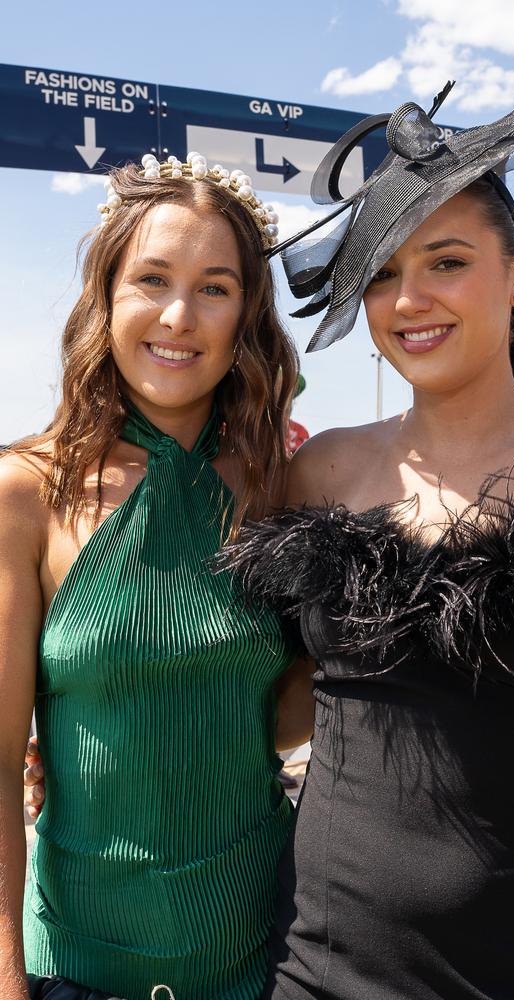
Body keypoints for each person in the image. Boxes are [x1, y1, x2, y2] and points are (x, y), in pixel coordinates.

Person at [216, 83, 514, 998]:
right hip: (323, 966)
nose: (408, 300)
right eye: (379, 273)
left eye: (446, 261)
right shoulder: (320, 473)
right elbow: (277, 704)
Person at [2, 153, 313, 1000]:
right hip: (75, 968)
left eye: (215, 287)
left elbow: (284, 714)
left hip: (263, 958)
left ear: (245, 315)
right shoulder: (24, 494)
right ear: (105, 298)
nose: (179, 315)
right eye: (151, 279)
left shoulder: (287, 487)